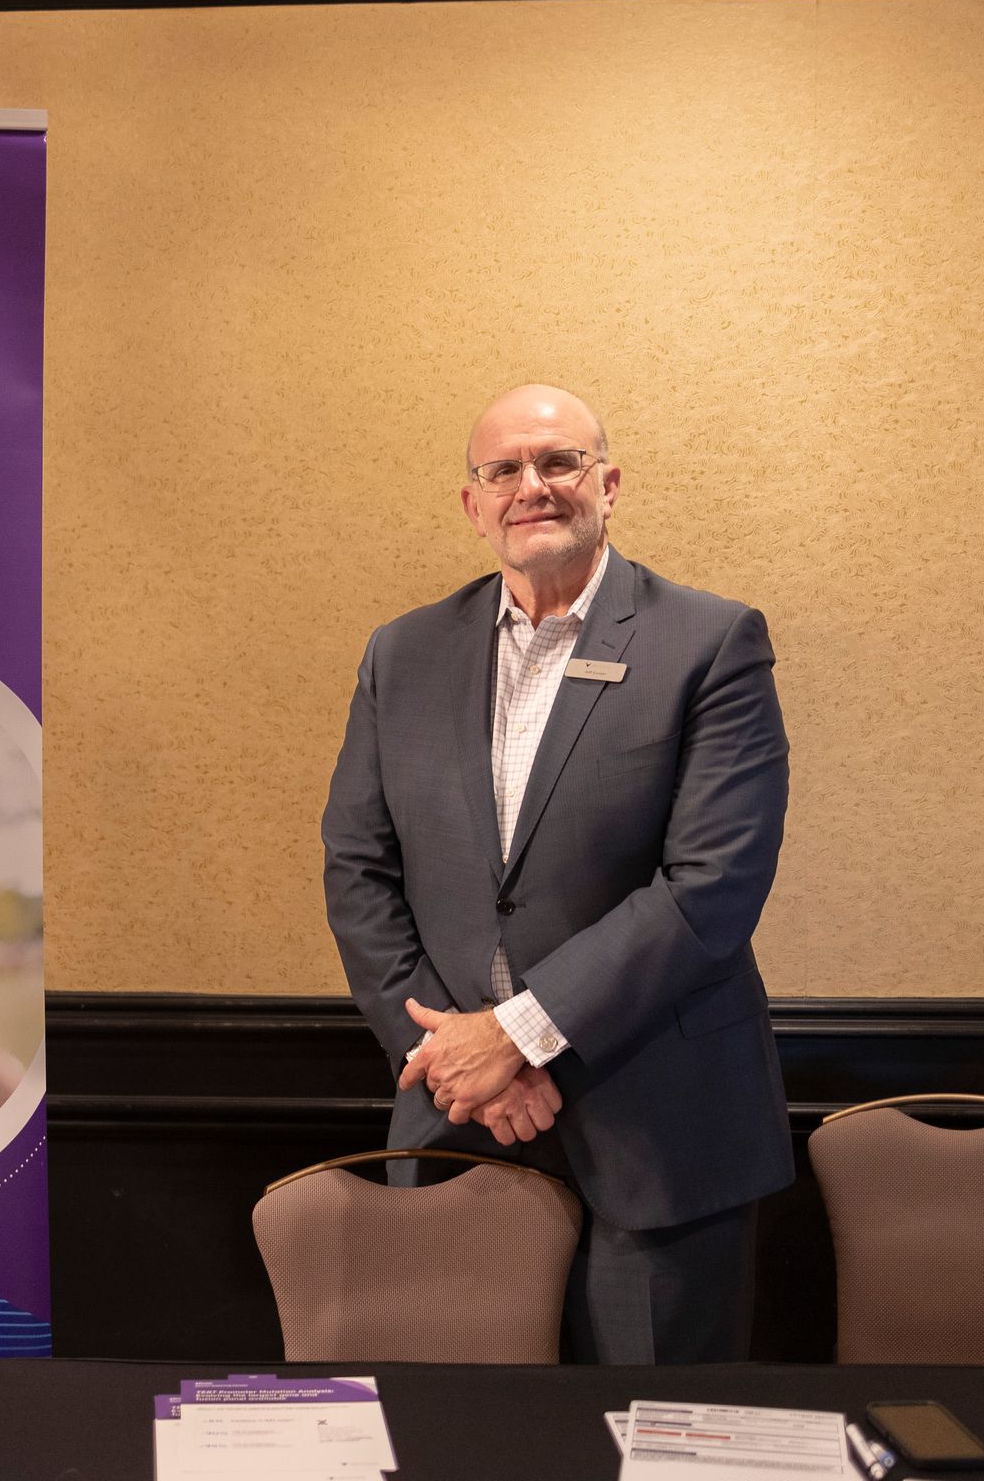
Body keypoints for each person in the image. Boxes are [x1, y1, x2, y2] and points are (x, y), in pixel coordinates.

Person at [321, 384, 793, 1364]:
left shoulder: (710, 643)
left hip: (659, 1126)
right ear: (473, 504)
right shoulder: (400, 655)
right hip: (456, 1116)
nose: (532, 487)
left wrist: (520, 1034)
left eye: (559, 463)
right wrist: (461, 1059)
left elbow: (712, 886)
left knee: (658, 1441)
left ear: (609, 484)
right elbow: (358, 868)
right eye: (504, 471)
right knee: (465, 1434)